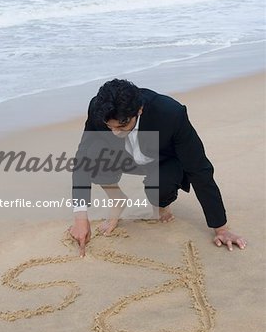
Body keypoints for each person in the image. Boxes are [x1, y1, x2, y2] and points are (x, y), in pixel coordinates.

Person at [69, 79, 247, 257]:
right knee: (92, 153)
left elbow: (199, 168)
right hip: (126, 157)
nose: (115, 132)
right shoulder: (99, 109)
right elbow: (82, 157)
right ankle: (117, 200)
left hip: (162, 160)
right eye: (110, 127)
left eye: (122, 126)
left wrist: (221, 228)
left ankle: (163, 204)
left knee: (160, 190)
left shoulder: (170, 113)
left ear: (139, 109)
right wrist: (80, 217)